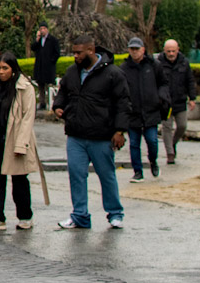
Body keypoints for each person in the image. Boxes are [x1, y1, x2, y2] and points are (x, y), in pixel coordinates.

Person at [53, 33, 130, 230]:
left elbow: (123, 103)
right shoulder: (72, 72)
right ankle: (80, 215)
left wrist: (120, 130)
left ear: (91, 50)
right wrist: (58, 106)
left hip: (101, 135)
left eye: (79, 53)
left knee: (106, 176)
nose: (75, 56)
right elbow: (63, 92)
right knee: (76, 175)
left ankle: (115, 213)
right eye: (74, 52)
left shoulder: (113, 73)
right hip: (76, 135)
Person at [0, 52, 43, 230]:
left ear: (13, 69)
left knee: (19, 179)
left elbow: (28, 118)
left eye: (5, 68)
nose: (2, 72)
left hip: (15, 138)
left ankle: (25, 216)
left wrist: (21, 144)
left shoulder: (24, 87)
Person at [120, 37, 168, 182]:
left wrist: (160, 97)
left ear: (143, 50)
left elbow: (163, 83)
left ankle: (153, 161)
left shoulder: (154, 65)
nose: (134, 52)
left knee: (152, 141)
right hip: (133, 112)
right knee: (134, 144)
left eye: (137, 49)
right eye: (132, 49)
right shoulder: (124, 68)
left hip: (151, 111)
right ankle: (137, 171)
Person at [156, 38, 196, 166]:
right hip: (165, 102)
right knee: (166, 127)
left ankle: (173, 143)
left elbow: (190, 81)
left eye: (173, 51)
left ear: (178, 50)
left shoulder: (184, 62)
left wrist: (192, 98)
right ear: (164, 51)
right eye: (168, 51)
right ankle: (170, 153)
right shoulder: (158, 63)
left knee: (182, 126)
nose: (171, 54)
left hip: (180, 101)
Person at [31, 24, 60, 110]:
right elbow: (33, 48)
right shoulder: (39, 40)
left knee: (49, 85)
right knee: (41, 86)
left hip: (49, 68)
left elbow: (57, 53)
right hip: (40, 67)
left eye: (44, 28)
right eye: (41, 29)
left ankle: (51, 102)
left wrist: (51, 61)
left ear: (47, 29)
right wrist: (37, 40)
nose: (42, 30)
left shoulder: (53, 40)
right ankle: (42, 102)